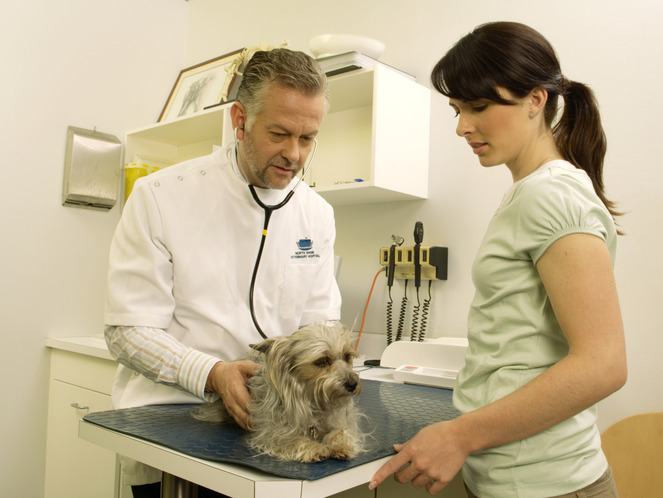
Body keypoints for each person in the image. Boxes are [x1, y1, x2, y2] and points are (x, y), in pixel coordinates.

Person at [370, 22, 627, 497]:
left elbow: (604, 363)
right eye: (458, 109)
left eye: (480, 106)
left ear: (536, 100)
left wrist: (459, 435)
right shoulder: (530, 193)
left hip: (546, 482)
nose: (462, 126)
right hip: (513, 475)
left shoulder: (549, 194)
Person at [104, 48, 341, 496]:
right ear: (239, 119)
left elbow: (319, 323)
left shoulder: (317, 213)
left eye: (308, 138)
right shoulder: (160, 197)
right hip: (174, 419)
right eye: (279, 133)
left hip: (277, 426)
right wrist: (211, 373)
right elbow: (127, 331)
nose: (294, 154)